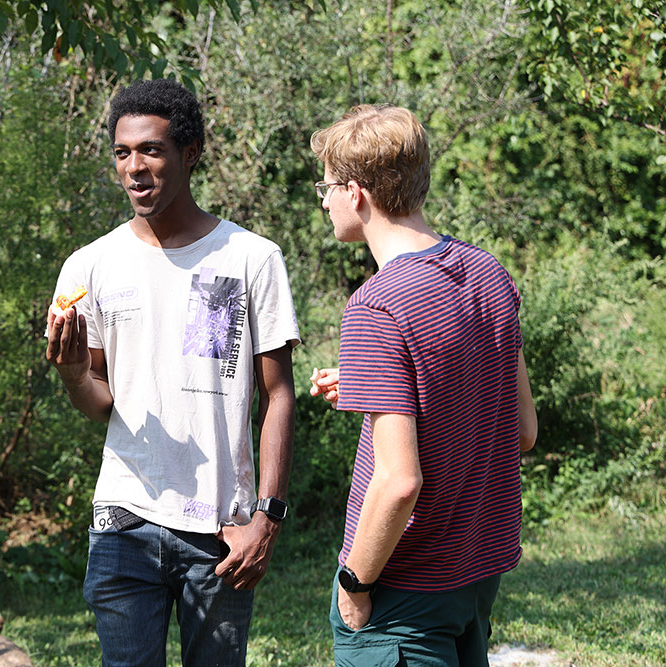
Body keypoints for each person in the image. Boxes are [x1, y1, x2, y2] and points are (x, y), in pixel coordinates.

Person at [45, 78, 299, 666]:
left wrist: (268, 516)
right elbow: (101, 402)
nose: (135, 168)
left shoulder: (250, 258)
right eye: (122, 153)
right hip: (123, 522)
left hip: (222, 531)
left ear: (191, 153)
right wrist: (72, 372)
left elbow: (278, 396)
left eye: (151, 150)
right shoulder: (90, 265)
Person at [307, 104, 538, 667]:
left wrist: (354, 582)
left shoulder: (376, 306)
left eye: (327, 186)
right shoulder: (490, 275)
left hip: (402, 595)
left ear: (356, 193)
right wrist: (376, 383)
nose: (324, 199)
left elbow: (400, 482)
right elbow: (522, 430)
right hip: (476, 576)